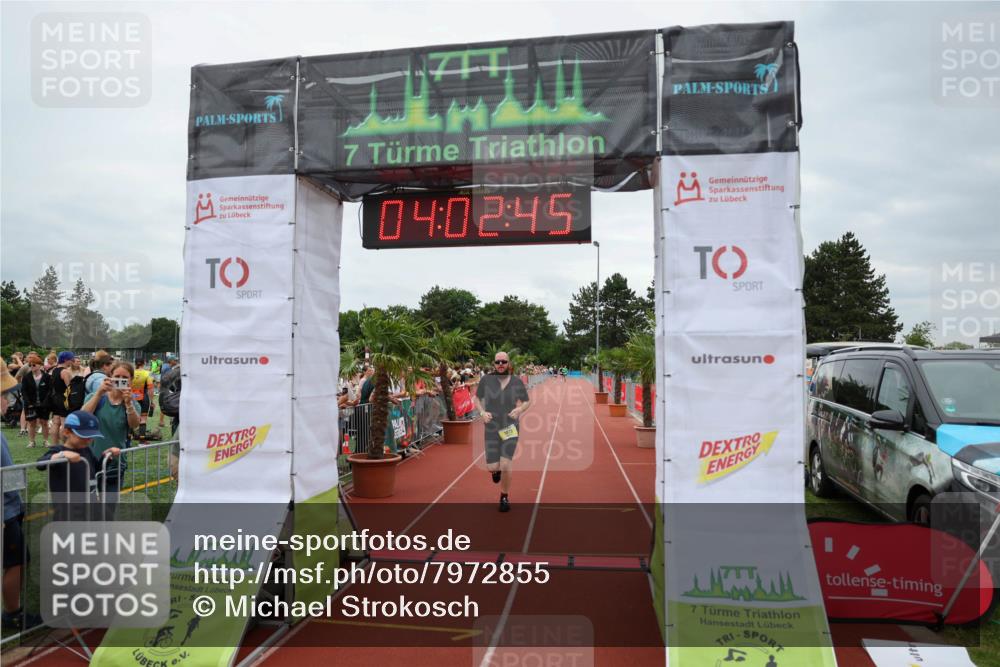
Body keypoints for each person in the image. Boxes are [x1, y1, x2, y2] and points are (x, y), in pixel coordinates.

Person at [1, 360, 36, 630]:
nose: (8, 400)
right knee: (15, 561)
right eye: (4, 394)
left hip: (10, 506)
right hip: (4, 511)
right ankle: (13, 613)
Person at [473, 351, 531, 513]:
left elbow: (527, 401)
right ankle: (495, 471)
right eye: (497, 362)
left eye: (503, 362)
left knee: (506, 464)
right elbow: (476, 399)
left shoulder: (516, 382)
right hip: (491, 427)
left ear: (508, 363)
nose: (500, 365)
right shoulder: (486, 381)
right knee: (493, 466)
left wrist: (519, 409)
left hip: (510, 427)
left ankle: (504, 496)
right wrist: (482, 413)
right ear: (494, 364)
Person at [37, 410, 119, 522]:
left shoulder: (87, 450)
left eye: (91, 436)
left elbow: (96, 469)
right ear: (66, 432)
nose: (88, 440)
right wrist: (61, 455)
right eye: (84, 436)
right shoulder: (58, 450)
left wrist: (106, 456)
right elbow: (40, 464)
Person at [83, 362, 140, 519]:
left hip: (115, 463)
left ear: (131, 380)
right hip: (91, 462)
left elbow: (134, 425)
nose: (120, 380)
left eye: (125, 378)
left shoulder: (132, 402)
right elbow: (83, 417)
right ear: (110, 377)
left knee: (108, 509)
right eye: (117, 377)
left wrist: (128, 404)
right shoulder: (97, 397)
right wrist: (98, 393)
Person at [20, 353, 51, 448]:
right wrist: (28, 403)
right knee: (31, 423)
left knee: (44, 422)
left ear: (40, 365)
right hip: (30, 404)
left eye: (34, 364)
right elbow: (23, 391)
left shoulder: (47, 377)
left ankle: (46, 441)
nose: (32, 366)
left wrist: (46, 402)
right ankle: (32, 442)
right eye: (30, 365)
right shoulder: (26, 377)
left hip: (44, 404)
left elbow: (50, 391)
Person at [131, 358, 155, 440]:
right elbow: (150, 389)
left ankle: (129, 438)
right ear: (144, 363)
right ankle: (142, 441)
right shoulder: (147, 373)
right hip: (143, 398)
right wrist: (152, 401)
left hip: (132, 397)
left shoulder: (131, 372)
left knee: (130, 416)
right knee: (143, 419)